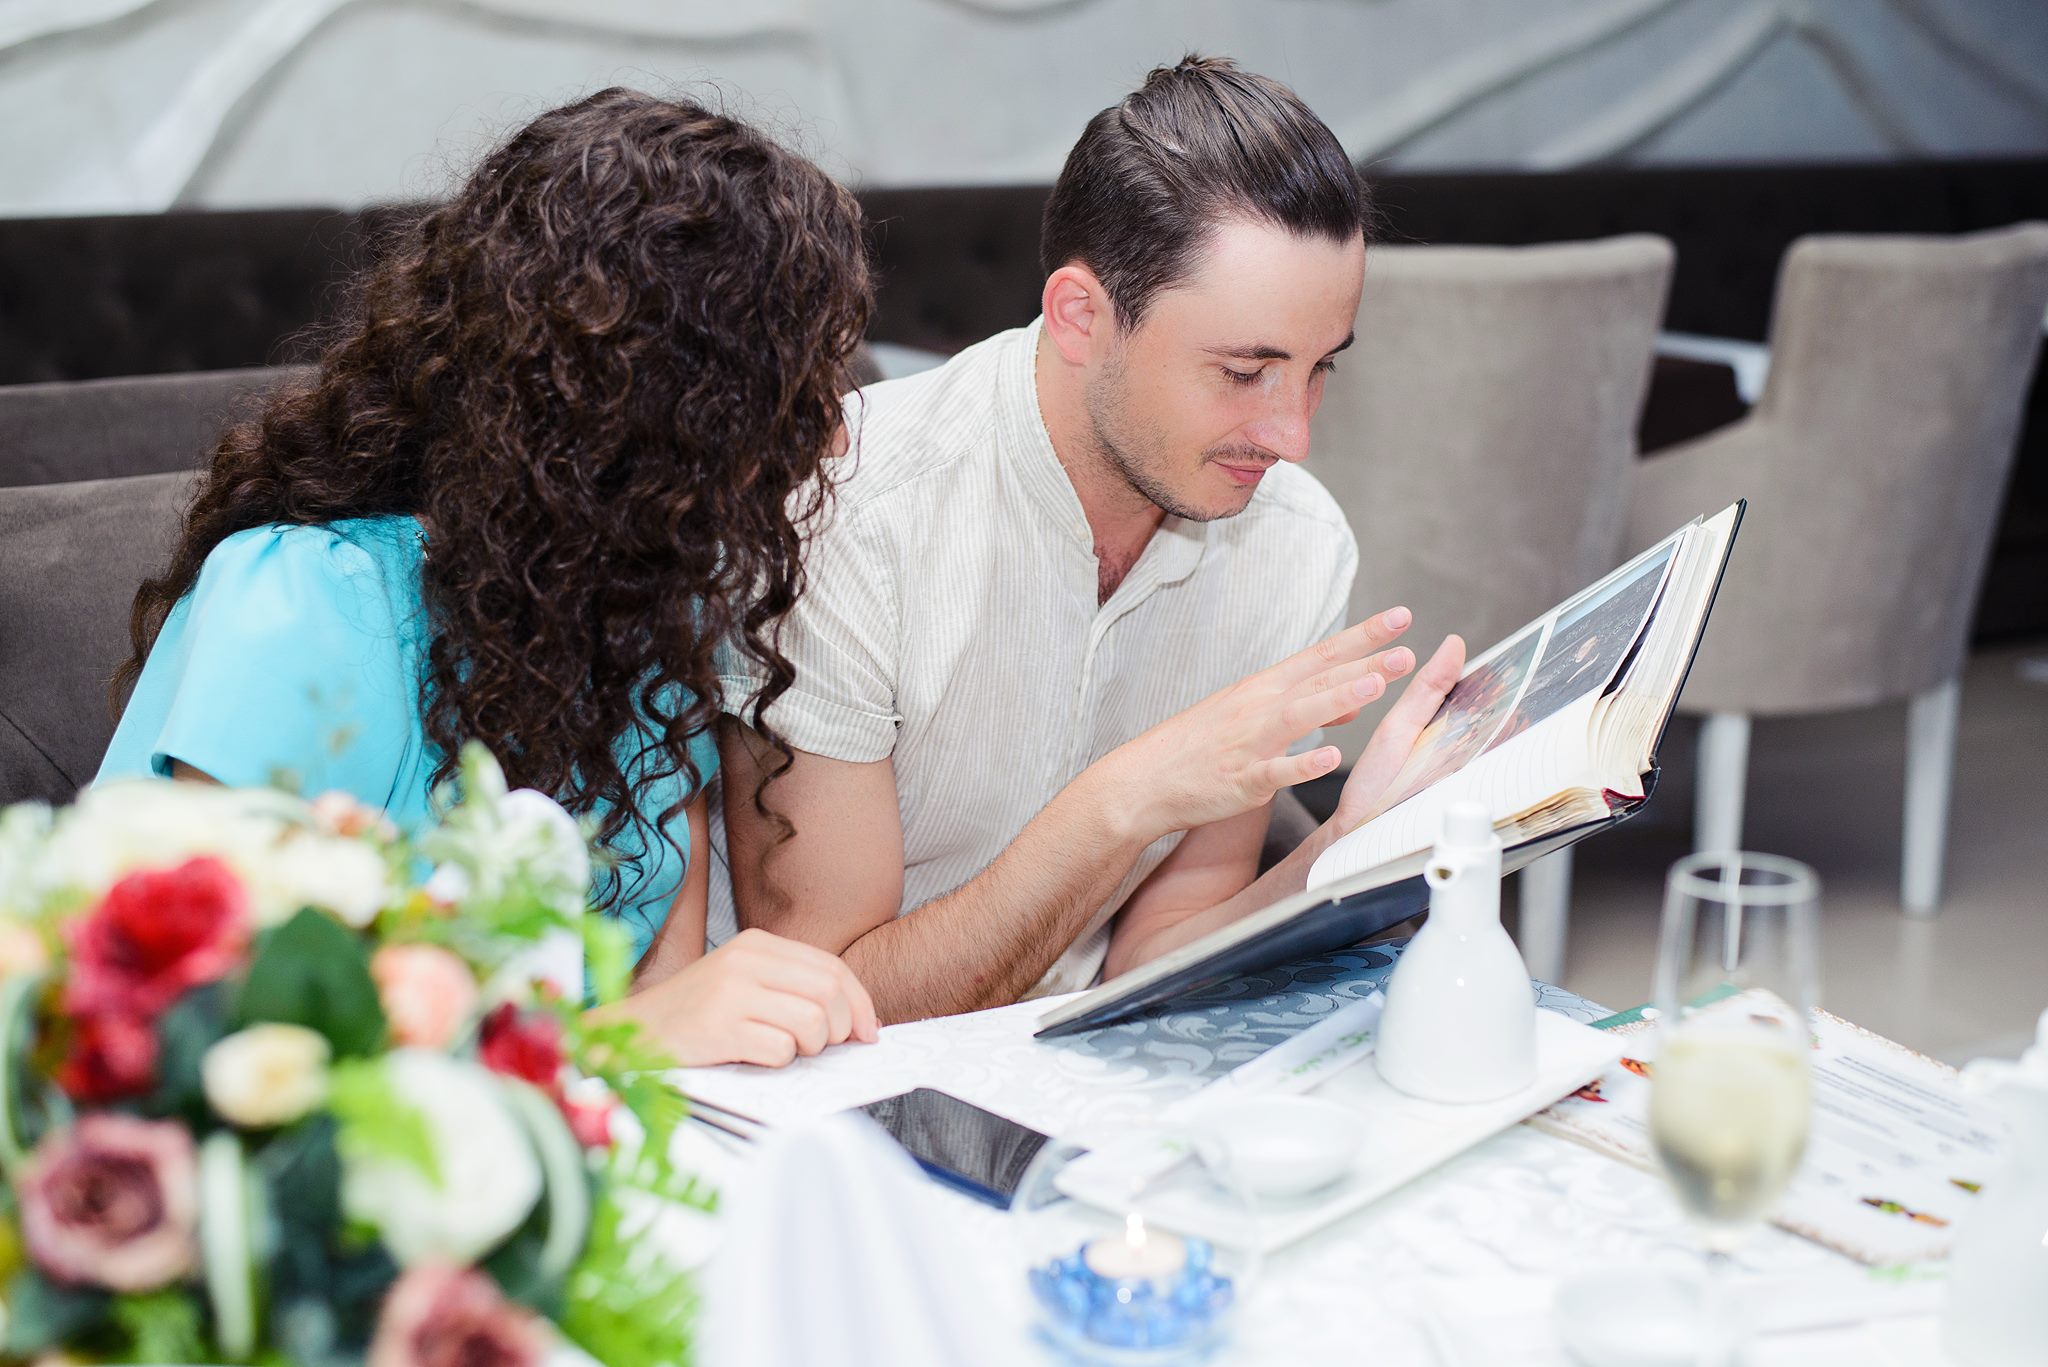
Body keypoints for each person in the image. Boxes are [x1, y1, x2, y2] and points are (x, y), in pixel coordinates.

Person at [99, 88, 879, 1068]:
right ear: (656, 402)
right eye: (794, 388)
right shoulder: (308, 601)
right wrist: (615, 1043)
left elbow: (656, 984)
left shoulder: (654, 600)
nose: (833, 434)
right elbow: (209, 1042)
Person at [714, 56, 1465, 1022]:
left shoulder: (1297, 546)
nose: (1293, 436)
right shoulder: (845, 515)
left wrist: (1345, 851)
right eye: (1245, 372)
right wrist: (1124, 800)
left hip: (1071, 1065)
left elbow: (1153, 953)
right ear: (1081, 317)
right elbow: (826, 999)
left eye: (1322, 368)